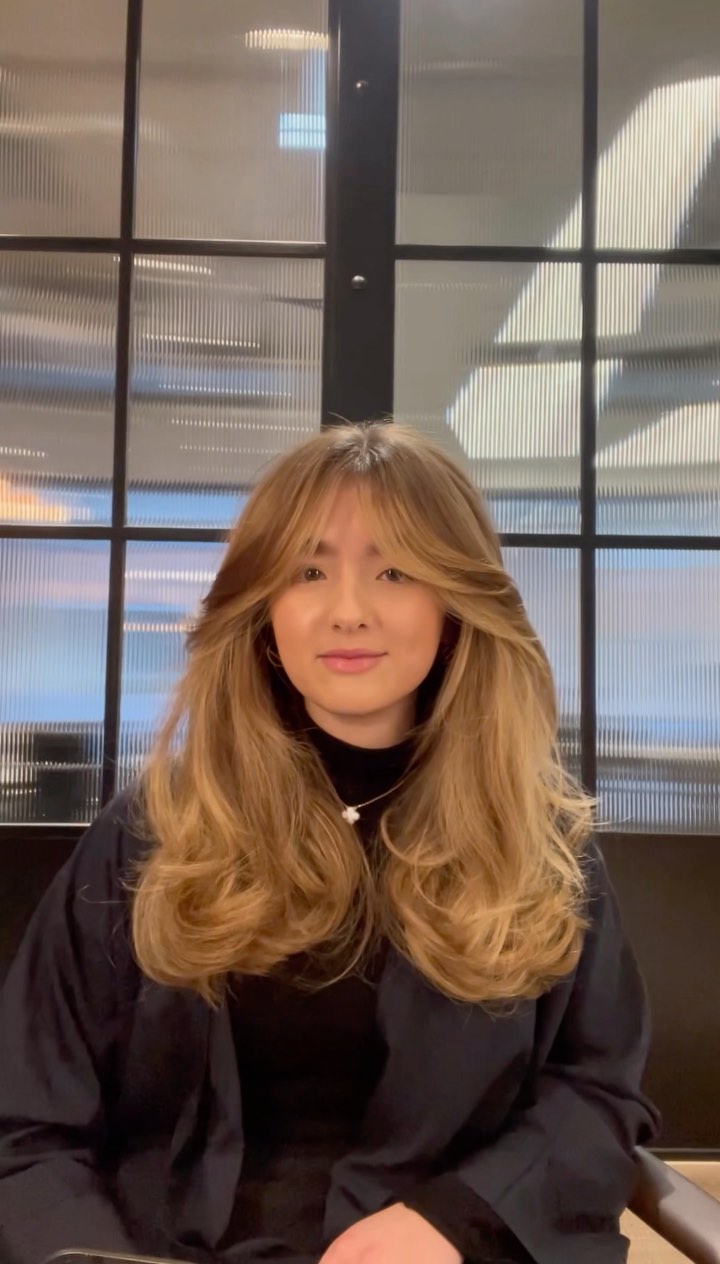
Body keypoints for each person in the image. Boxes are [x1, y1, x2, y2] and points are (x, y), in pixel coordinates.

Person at [0, 421, 659, 1264]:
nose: (348, 611)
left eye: (395, 571)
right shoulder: (154, 834)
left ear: (453, 607)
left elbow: (597, 1095)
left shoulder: (537, 847)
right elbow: (27, 1123)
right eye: (308, 572)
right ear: (263, 606)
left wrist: (454, 1220)